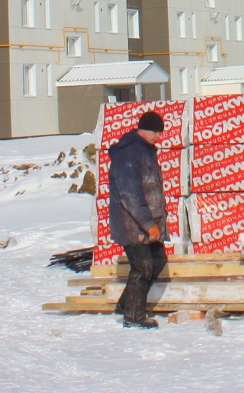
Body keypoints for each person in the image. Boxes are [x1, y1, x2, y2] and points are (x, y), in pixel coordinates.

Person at [107, 110, 168, 329]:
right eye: (156, 132)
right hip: (133, 224)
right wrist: (148, 223)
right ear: (144, 130)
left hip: (145, 223)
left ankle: (126, 305)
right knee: (142, 267)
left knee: (158, 261)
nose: (158, 137)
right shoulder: (130, 153)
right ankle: (133, 316)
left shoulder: (144, 151)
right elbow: (130, 193)